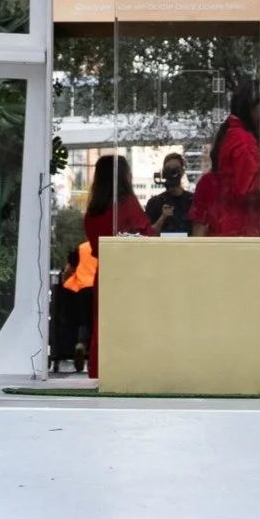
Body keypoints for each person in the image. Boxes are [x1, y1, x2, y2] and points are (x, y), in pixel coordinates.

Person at [77, 153, 151, 379]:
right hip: (131, 273)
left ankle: (100, 372)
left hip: (106, 273)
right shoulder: (128, 204)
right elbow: (146, 235)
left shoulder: (93, 211)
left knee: (103, 325)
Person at [189, 76, 260, 238]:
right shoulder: (243, 140)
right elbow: (248, 189)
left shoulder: (233, 134)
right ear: (253, 106)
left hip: (226, 232)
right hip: (241, 232)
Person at [144, 154, 194, 234]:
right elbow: (147, 234)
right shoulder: (155, 203)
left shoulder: (193, 201)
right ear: (164, 172)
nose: (173, 172)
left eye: (176, 168)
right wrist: (163, 218)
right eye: (169, 169)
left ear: (182, 171)